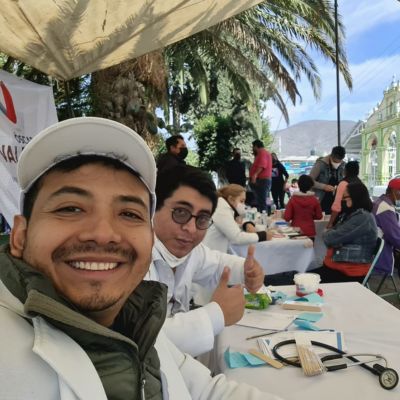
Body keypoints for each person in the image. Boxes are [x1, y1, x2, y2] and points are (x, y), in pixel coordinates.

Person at [0, 117, 281, 400]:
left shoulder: (134, 318)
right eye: (71, 208)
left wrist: (246, 269)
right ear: (20, 235)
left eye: (128, 213)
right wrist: (215, 315)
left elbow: (205, 390)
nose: (102, 234)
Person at [146, 165, 265, 357]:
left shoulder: (190, 251)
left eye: (202, 219)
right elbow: (144, 342)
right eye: (180, 212)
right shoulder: (130, 259)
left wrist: (247, 271)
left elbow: (217, 264)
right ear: (153, 207)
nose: (191, 229)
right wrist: (216, 315)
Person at [312, 182, 377, 283]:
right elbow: (334, 235)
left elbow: (329, 238)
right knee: (297, 279)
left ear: (355, 198)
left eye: (344, 197)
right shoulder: (352, 214)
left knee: (297, 281)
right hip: (338, 267)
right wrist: (333, 236)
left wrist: (332, 236)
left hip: (348, 273)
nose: (341, 200)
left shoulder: (362, 218)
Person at [203, 184, 272, 252]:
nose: (243, 204)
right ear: (231, 199)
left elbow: (232, 227)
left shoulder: (224, 207)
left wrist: (246, 224)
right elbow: (237, 238)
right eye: (241, 201)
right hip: (210, 253)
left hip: (214, 251)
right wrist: (262, 235)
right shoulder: (222, 210)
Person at [372, 178, 400, 275]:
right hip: (380, 254)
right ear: (395, 191)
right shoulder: (385, 208)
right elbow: (395, 237)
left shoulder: (380, 201)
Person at [309, 145, 346, 214]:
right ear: (332, 155)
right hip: (321, 198)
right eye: (335, 161)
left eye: (339, 161)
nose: (337, 163)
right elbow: (309, 181)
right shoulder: (320, 164)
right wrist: (324, 187)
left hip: (335, 199)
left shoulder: (343, 165)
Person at [326, 161, 362, 229]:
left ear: (346, 171)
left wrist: (330, 223)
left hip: (345, 219)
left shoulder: (343, 184)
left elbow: (337, 206)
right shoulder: (360, 183)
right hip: (358, 220)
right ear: (358, 171)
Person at [249, 139, 272, 212]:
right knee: (266, 198)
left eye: (253, 147)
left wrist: (255, 175)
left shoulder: (262, 153)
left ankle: (264, 215)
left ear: (256, 146)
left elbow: (262, 165)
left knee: (262, 200)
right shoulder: (265, 153)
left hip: (262, 180)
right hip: (265, 180)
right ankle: (268, 212)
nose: (252, 149)